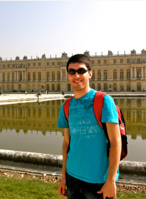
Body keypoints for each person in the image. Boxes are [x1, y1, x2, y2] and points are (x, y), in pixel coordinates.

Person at [57, 54, 121, 199]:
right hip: (72, 177)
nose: (76, 75)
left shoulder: (104, 100)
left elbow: (116, 142)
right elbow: (67, 143)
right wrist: (63, 176)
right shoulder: (66, 106)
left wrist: (111, 180)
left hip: (98, 181)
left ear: (90, 73)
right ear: (67, 75)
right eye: (72, 71)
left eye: (81, 71)